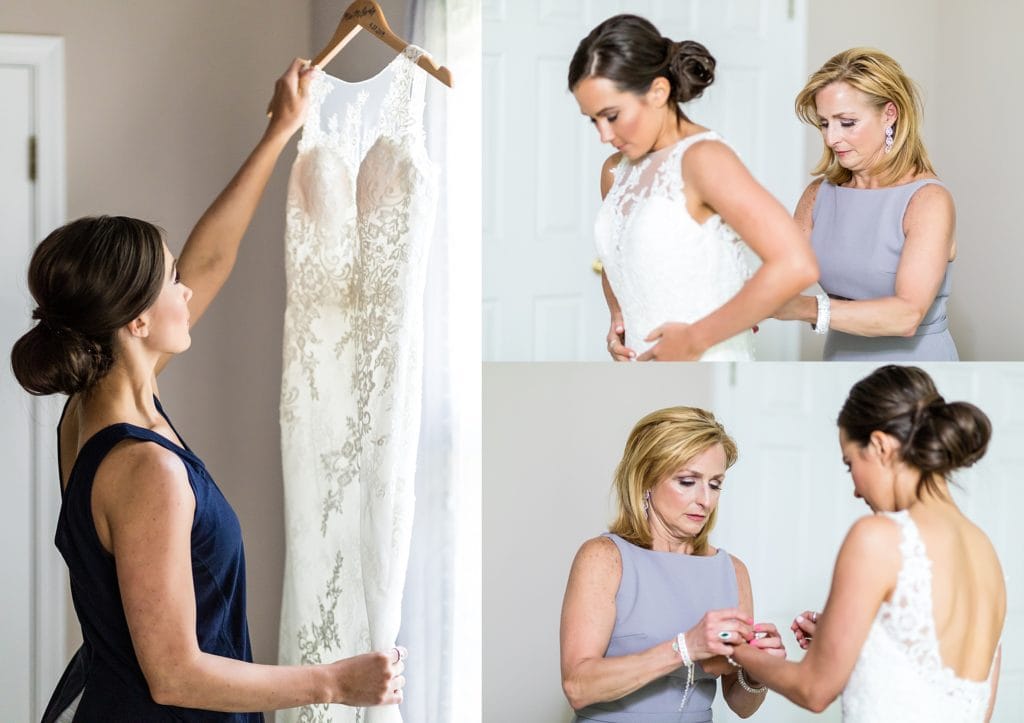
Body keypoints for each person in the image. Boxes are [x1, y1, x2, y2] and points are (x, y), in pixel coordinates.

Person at [11, 59, 407, 722]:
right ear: (135, 319)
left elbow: (212, 258)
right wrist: (332, 682)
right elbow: (174, 673)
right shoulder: (145, 470)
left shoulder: (90, 414)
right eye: (171, 280)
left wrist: (279, 130)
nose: (187, 289)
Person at [728, 365, 1005, 722]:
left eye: (850, 464)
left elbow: (814, 691)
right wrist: (859, 647)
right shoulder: (986, 553)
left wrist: (737, 649)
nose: (855, 489)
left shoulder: (877, 536)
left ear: (880, 445)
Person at [568, 14, 818, 361]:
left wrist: (696, 339)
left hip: (705, 355)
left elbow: (796, 264)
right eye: (592, 119)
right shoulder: (615, 171)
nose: (604, 135)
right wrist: (617, 318)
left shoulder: (704, 159)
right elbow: (617, 258)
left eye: (611, 115)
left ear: (658, 91)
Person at [560, 407, 785, 722]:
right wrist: (685, 647)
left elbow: (741, 705)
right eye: (688, 481)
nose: (705, 500)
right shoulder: (604, 558)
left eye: (715, 484)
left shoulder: (732, 571)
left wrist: (759, 672)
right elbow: (577, 687)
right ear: (647, 479)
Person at [773, 48, 959, 360]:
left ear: (889, 114)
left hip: (915, 366)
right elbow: (779, 275)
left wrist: (806, 307)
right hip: (839, 358)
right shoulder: (819, 194)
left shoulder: (928, 201)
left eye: (846, 122)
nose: (832, 138)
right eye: (823, 123)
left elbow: (907, 314)